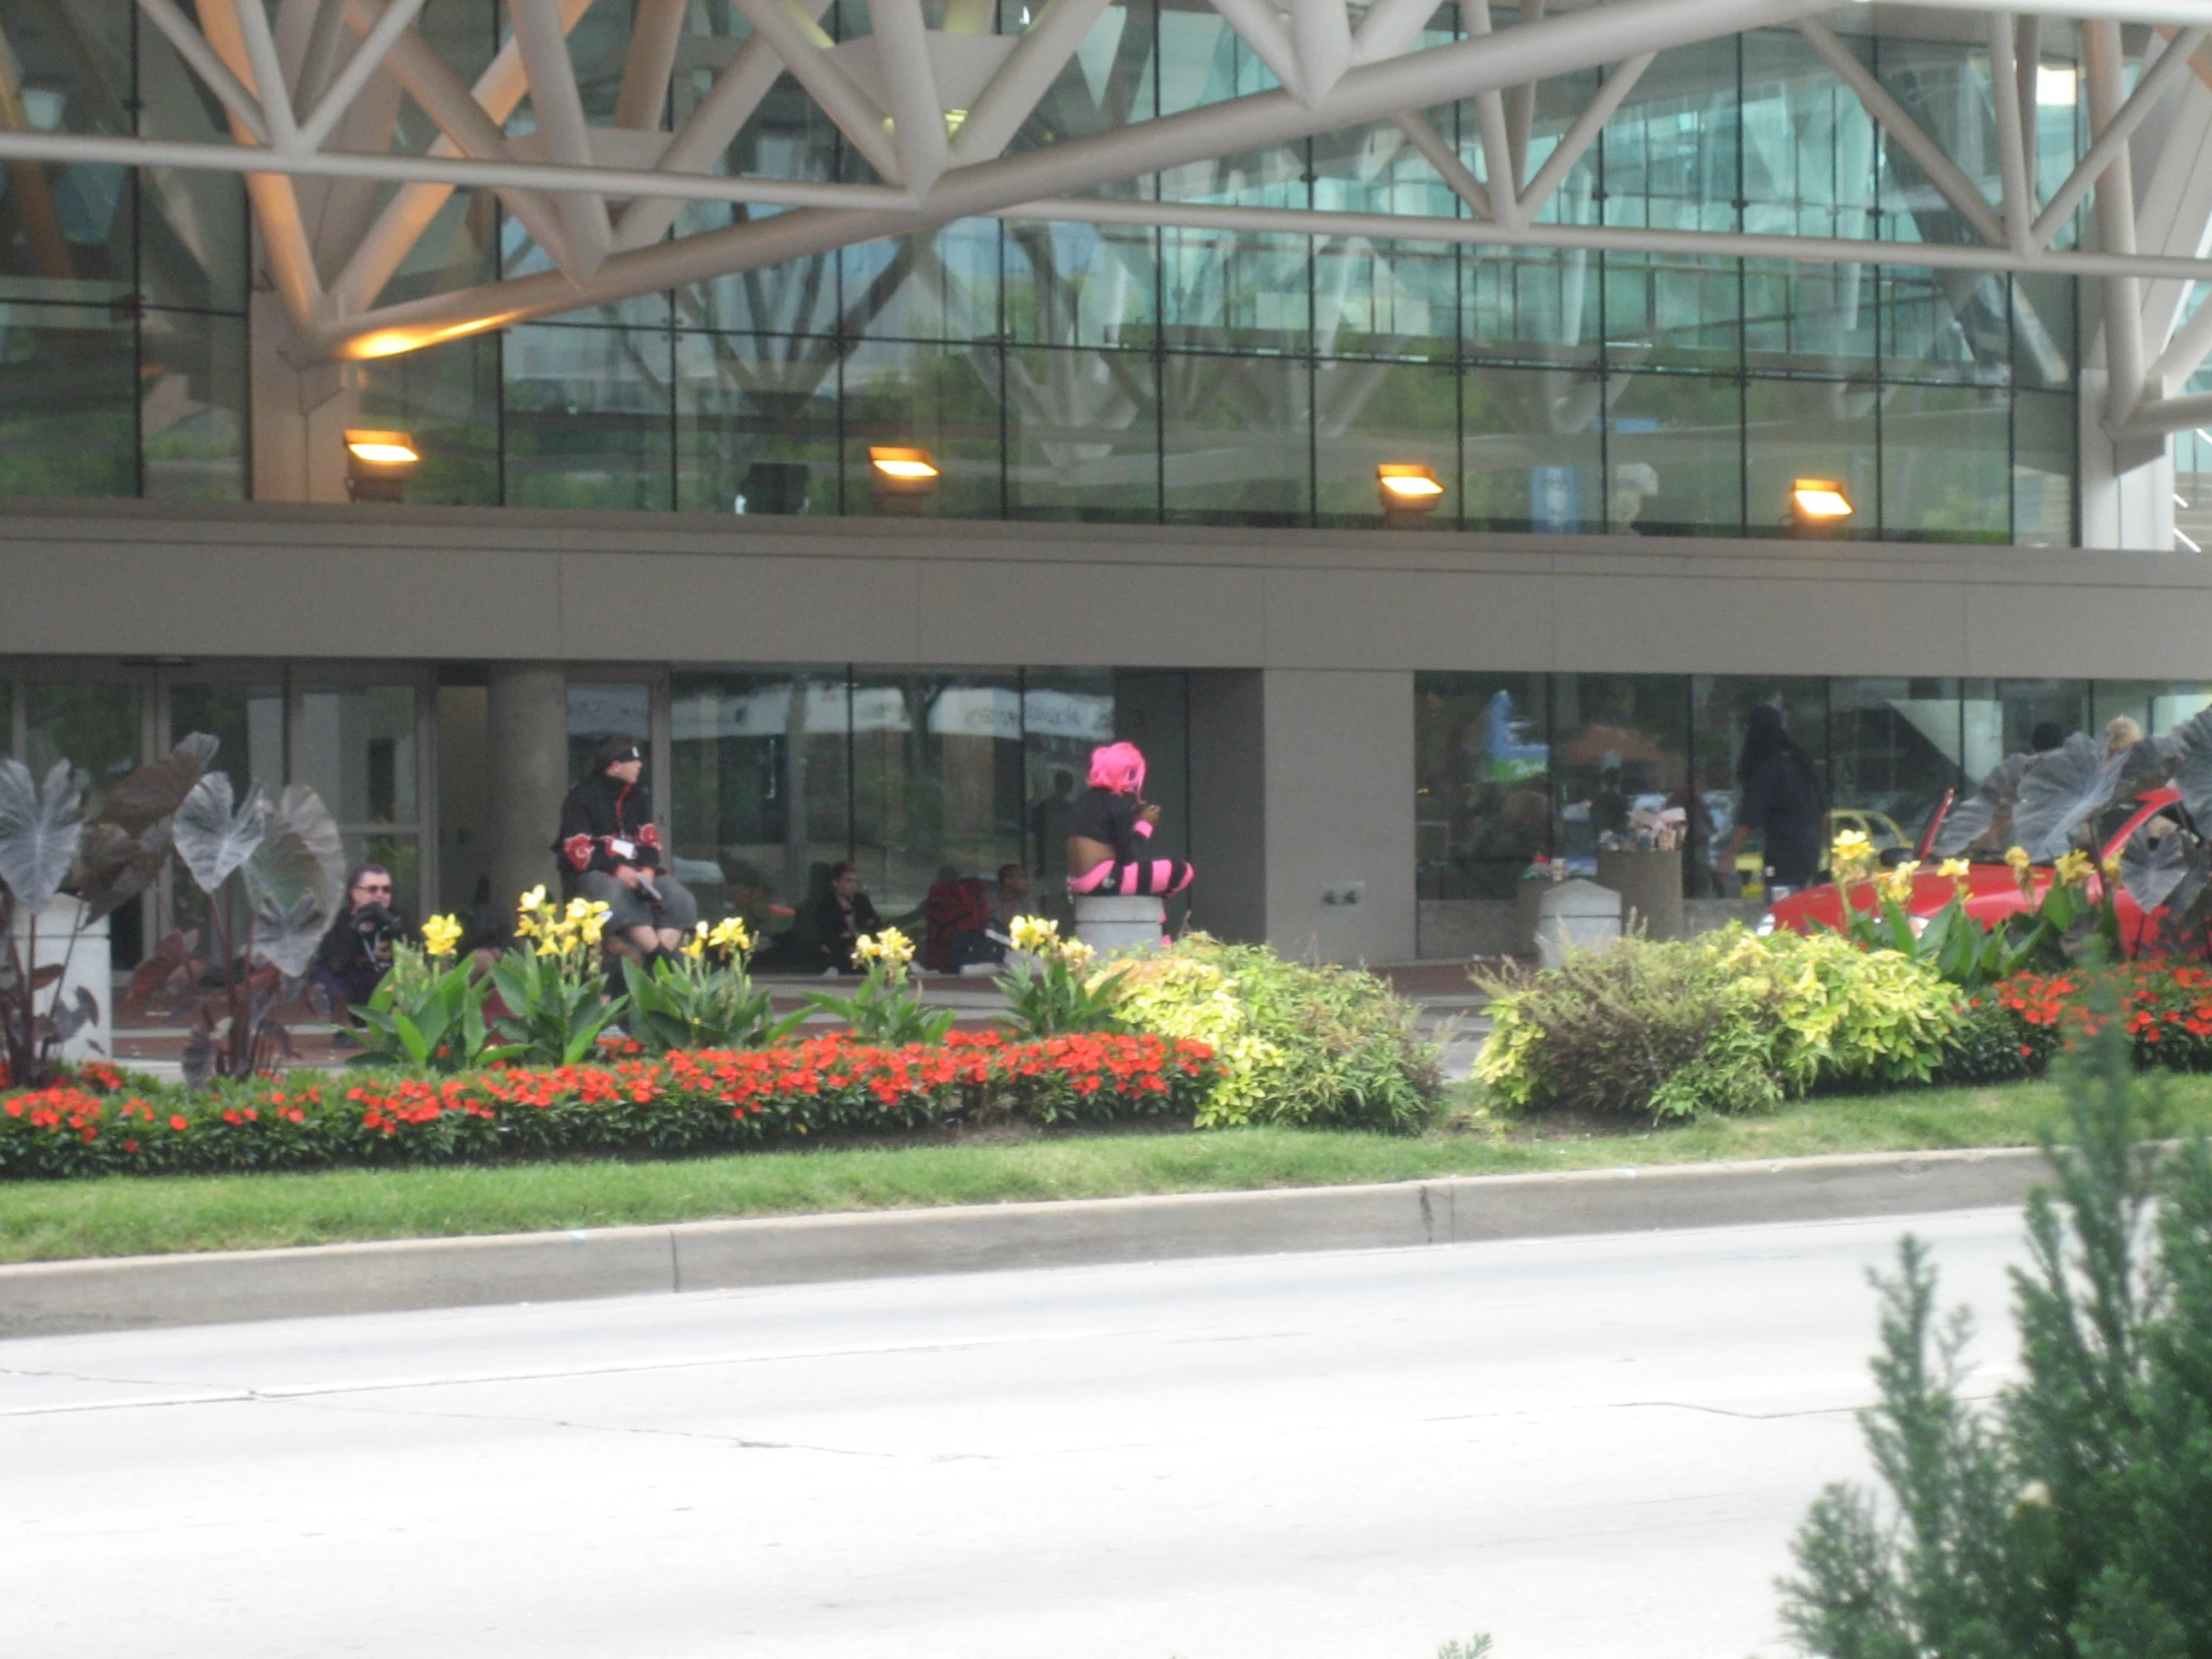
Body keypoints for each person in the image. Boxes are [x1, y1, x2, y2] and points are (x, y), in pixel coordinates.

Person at [555, 734, 698, 974]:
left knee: (678, 897)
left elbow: (648, 839)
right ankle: (662, 961)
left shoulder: (637, 797)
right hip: (596, 872)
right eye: (634, 760)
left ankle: (655, 963)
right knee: (618, 894)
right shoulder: (581, 797)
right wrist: (618, 869)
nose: (640, 765)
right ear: (615, 765)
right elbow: (576, 848)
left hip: (638, 872)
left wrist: (648, 871)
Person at [1066, 742, 1194, 897]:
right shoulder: (1117, 803)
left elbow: (1102, 834)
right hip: (1104, 879)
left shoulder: (1083, 800)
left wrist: (1130, 818)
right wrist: (1145, 824)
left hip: (1076, 881)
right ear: (1130, 774)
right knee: (1183, 870)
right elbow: (1127, 856)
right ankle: (1156, 915)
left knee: (1148, 876)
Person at [1725, 705, 1825, 899]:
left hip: (1783, 853)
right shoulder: (1801, 763)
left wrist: (1728, 854)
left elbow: (1750, 819)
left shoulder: (1768, 770)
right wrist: (1819, 846)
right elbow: (1822, 814)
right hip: (1809, 852)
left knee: (1781, 905)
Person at [311, 863, 409, 1031]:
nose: (380, 895)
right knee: (321, 973)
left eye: (386, 890)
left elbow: (415, 953)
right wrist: (355, 926)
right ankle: (345, 1030)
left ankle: (397, 1029)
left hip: (386, 989)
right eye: (372, 889)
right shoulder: (340, 920)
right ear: (355, 893)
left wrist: (391, 925)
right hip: (352, 992)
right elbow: (336, 963)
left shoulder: (398, 917)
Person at [811, 859, 882, 973]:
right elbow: (830, 936)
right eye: (848, 881)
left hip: (864, 953)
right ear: (836, 883)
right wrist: (853, 934)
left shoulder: (861, 901)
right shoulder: (826, 906)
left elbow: (876, 925)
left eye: (855, 881)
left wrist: (855, 934)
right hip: (839, 957)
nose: (853, 885)